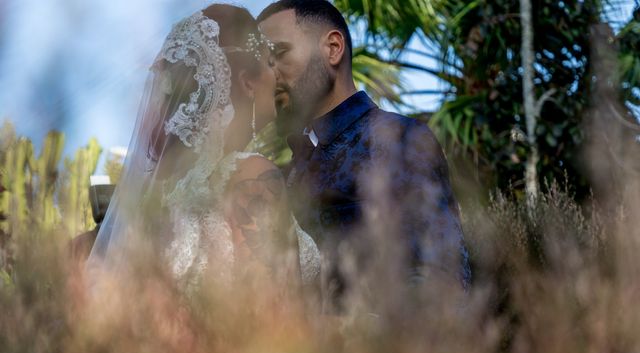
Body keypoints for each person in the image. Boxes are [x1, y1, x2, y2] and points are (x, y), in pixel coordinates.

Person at [88, 4, 320, 302]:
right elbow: (275, 320)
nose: (277, 77)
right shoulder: (250, 176)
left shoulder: (153, 200)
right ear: (248, 82)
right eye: (269, 62)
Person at [258, 0, 471, 314]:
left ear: (332, 48)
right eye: (263, 63)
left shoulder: (397, 138)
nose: (269, 73)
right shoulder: (286, 169)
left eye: (279, 54)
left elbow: (442, 278)